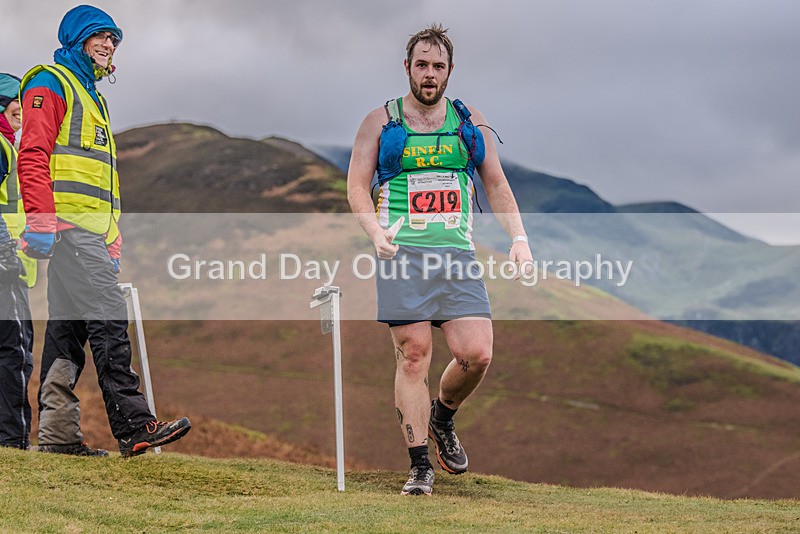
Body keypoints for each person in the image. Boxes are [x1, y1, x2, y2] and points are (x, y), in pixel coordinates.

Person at [347, 24, 534, 495]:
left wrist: (519, 239)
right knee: (414, 356)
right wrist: (374, 232)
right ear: (407, 67)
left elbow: (495, 183)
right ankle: (420, 467)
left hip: (456, 255)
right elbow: (355, 187)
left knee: (477, 353)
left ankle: (442, 417)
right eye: (422, 65)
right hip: (402, 255)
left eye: (438, 66)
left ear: (450, 71)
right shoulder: (380, 122)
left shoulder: (469, 122)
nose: (429, 74)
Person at [17, 5, 191, 458]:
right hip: (67, 230)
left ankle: (57, 436)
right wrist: (40, 220)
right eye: (100, 36)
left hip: (91, 234)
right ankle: (135, 426)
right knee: (109, 318)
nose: (109, 45)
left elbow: (101, 180)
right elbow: (32, 154)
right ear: (76, 39)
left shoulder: (94, 96)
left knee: (66, 333)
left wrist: (112, 237)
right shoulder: (50, 83)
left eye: (114, 39)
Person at [0, 73, 37, 450]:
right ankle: (11, 441)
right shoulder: (0, 145)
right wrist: (4, 254)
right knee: (15, 351)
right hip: (4, 270)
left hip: (12, 268)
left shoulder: (10, 147)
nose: (21, 109)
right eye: (14, 101)